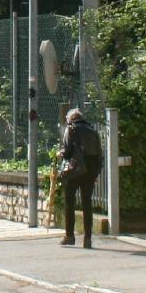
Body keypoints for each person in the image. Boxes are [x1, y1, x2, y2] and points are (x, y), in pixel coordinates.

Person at [58, 106, 102, 248]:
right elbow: (99, 155)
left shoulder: (70, 129)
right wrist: (95, 173)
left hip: (75, 170)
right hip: (90, 170)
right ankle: (87, 239)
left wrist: (60, 154)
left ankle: (69, 235)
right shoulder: (93, 131)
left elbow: (68, 151)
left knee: (69, 201)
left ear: (70, 119)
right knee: (86, 203)